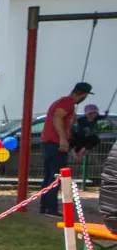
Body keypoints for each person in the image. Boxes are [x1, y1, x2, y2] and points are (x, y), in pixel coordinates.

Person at [41, 82, 93, 216]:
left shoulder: (62, 101)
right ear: (83, 95)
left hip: (48, 142)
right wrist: (63, 139)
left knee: (49, 175)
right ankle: (51, 208)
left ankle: (44, 206)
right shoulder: (68, 102)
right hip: (55, 143)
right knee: (56, 176)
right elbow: (57, 117)